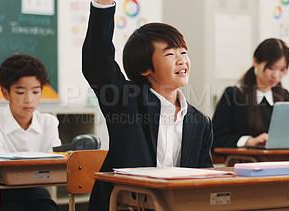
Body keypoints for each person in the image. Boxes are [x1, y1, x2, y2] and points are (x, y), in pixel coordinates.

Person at [82, 1, 213, 210]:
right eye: (170, 54)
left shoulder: (200, 121)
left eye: (184, 52)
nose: (181, 60)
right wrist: (103, 6)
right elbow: (97, 62)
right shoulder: (125, 101)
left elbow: (204, 178)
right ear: (144, 68)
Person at [0, 54, 61, 211]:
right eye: (20, 92)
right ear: (5, 93)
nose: (29, 99)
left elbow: (56, 164)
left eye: (36, 92)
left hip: (34, 191)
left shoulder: (49, 122)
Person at [212, 38, 289, 149]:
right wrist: (248, 141)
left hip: (281, 161)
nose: (276, 75)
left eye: (282, 70)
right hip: (244, 163)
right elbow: (216, 139)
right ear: (255, 61)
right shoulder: (233, 95)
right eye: (271, 68)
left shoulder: (284, 96)